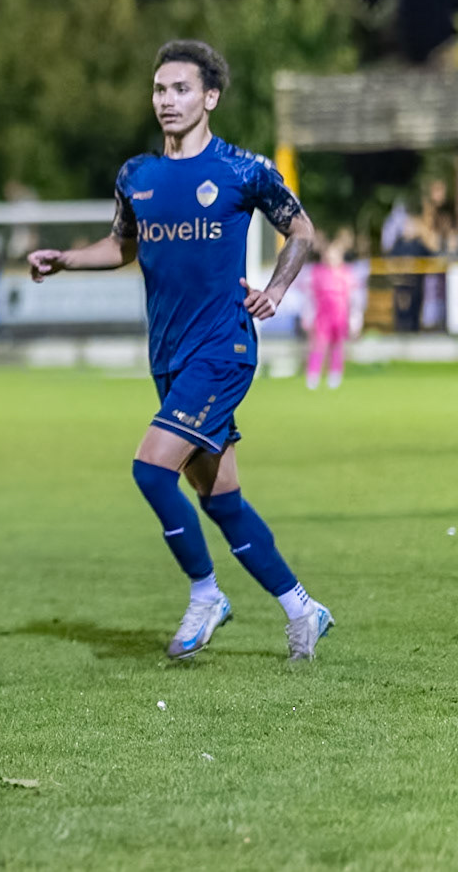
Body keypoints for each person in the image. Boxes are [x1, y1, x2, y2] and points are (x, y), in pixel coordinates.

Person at [28, 39, 333, 662]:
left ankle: (205, 594)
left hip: (222, 350)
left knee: (149, 468)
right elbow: (122, 246)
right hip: (167, 356)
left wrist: (276, 289)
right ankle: (303, 607)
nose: (167, 101)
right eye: (160, 90)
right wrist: (65, 261)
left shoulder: (242, 169)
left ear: (210, 97)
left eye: (181, 89)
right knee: (222, 502)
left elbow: (300, 228)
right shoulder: (135, 175)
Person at [305, 231, 358, 391]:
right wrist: (308, 314)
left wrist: (355, 317)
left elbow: (353, 298)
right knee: (319, 344)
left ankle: (335, 374)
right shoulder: (318, 273)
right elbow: (310, 296)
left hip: (340, 316)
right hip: (323, 316)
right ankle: (313, 374)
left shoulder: (346, 274)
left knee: (338, 345)